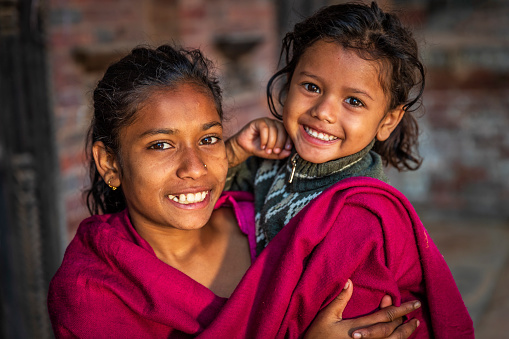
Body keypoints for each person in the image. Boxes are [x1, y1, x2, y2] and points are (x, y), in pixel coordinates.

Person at [47, 44, 420, 338]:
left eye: (208, 138)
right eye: (161, 145)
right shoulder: (92, 291)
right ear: (110, 162)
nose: (194, 167)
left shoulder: (265, 217)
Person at [225, 2, 474, 338]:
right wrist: (236, 150)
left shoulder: (362, 216)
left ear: (387, 120)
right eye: (311, 86)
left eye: (353, 101)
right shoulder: (268, 160)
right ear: (288, 84)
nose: (323, 112)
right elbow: (206, 193)